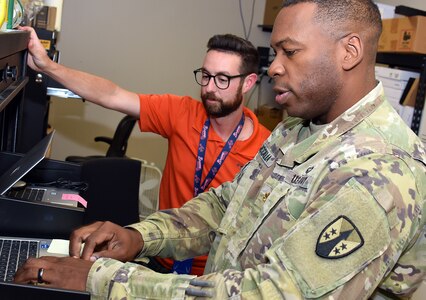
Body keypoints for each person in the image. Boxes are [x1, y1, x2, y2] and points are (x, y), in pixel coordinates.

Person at [15, 0, 426, 299]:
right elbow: (225, 207)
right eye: (276, 52)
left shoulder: (382, 169)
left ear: (349, 52)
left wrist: (100, 280)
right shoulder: (297, 130)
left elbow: (279, 294)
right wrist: (140, 237)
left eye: (290, 51)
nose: (274, 67)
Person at [19, 26, 271, 275]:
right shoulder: (183, 113)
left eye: (223, 79)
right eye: (205, 75)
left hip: (215, 275)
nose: (210, 88)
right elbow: (112, 95)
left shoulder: (267, 151)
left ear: (248, 82)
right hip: (159, 256)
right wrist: (48, 66)